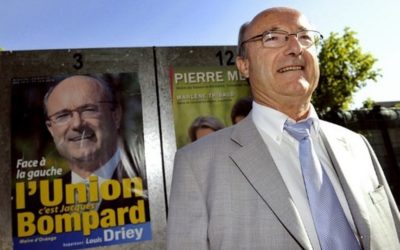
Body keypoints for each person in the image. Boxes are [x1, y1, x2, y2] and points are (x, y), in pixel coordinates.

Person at [167, 7, 400, 250]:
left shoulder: (357, 145)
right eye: (273, 38)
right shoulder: (196, 163)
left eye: (305, 37)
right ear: (244, 65)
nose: (295, 47)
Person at [43, 75, 148, 214]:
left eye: (88, 110)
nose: (77, 124)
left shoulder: (151, 187)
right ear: (51, 129)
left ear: (116, 115)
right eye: (63, 116)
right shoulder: (33, 203)